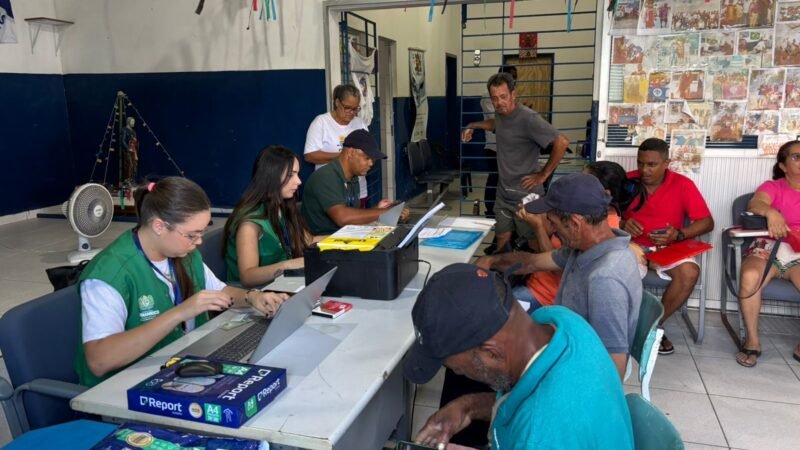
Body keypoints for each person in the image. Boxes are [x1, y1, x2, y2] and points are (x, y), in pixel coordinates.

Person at [74, 177, 289, 387]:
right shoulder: (109, 275)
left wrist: (253, 297)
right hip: (126, 387)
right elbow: (100, 361)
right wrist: (181, 312)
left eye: (201, 233)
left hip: (182, 366)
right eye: (192, 235)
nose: (199, 242)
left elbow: (221, 291)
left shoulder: (182, 252)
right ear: (159, 226)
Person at [406, 263, 634, 449]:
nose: (457, 371)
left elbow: (540, 429)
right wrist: (467, 406)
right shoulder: (563, 322)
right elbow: (528, 403)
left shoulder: (537, 435)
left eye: (456, 367)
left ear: (492, 352)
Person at [478, 173, 641, 379]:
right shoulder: (587, 248)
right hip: (562, 338)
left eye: (553, 223)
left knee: (482, 356)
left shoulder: (605, 279)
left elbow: (612, 368)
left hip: (575, 367)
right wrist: (491, 261)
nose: (553, 230)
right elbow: (532, 262)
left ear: (575, 223)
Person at [621, 138, 714, 355]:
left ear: (666, 163)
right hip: (631, 246)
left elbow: (707, 222)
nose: (644, 170)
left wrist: (680, 233)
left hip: (668, 248)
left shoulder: (682, 184)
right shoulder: (626, 182)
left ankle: (652, 326)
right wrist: (623, 223)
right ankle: (624, 326)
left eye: (652, 164)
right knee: (616, 271)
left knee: (690, 273)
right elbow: (604, 213)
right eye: (640, 163)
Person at [462, 72, 570, 252]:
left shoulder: (529, 118)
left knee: (533, 245)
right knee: (502, 240)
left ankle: (534, 279)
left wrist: (543, 174)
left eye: (503, 97)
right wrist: (472, 125)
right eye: (494, 98)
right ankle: (504, 277)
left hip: (526, 196)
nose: (499, 102)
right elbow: (494, 124)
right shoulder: (501, 114)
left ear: (513, 94)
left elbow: (562, 142)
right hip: (504, 194)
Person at [735, 141, 800, 367]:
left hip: (798, 253)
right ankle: (752, 340)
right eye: (796, 157)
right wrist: (772, 213)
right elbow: (756, 202)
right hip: (770, 245)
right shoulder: (774, 186)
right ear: (782, 165)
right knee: (750, 276)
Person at [224, 145, 319, 287]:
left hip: (283, 284)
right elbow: (248, 276)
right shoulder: (249, 223)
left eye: (297, 174)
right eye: (291, 175)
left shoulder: (282, 206)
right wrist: (289, 265)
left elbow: (308, 240)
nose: (299, 181)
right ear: (271, 176)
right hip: (256, 294)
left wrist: (345, 239)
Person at [301, 129, 408, 235]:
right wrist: (384, 213)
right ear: (350, 152)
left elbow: (353, 216)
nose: (371, 163)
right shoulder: (326, 177)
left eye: (373, 160)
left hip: (344, 237)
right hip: (322, 244)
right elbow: (343, 218)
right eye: (367, 158)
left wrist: (379, 209)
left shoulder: (353, 178)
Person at [304, 84, 369, 206]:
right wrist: (342, 157)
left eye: (355, 109)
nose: (351, 113)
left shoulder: (360, 124)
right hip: (330, 190)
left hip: (357, 190)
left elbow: (369, 152)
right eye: (347, 108)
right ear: (337, 102)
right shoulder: (321, 123)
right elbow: (310, 155)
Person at [480, 65, 518, 218]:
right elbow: (498, 116)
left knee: (506, 178)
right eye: (511, 77)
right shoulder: (487, 96)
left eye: (515, 78)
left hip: (509, 144)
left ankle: (504, 207)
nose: (513, 80)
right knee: (494, 176)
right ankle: (490, 209)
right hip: (494, 144)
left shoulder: (510, 94)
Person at [121, 117, 139, 186]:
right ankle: (127, 179)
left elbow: (135, 141)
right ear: (128, 122)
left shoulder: (134, 132)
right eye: (132, 121)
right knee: (129, 165)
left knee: (134, 165)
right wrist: (128, 148)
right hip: (128, 151)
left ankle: (132, 179)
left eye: (134, 122)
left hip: (134, 151)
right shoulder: (124, 130)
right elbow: (123, 141)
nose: (134, 123)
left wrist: (136, 144)